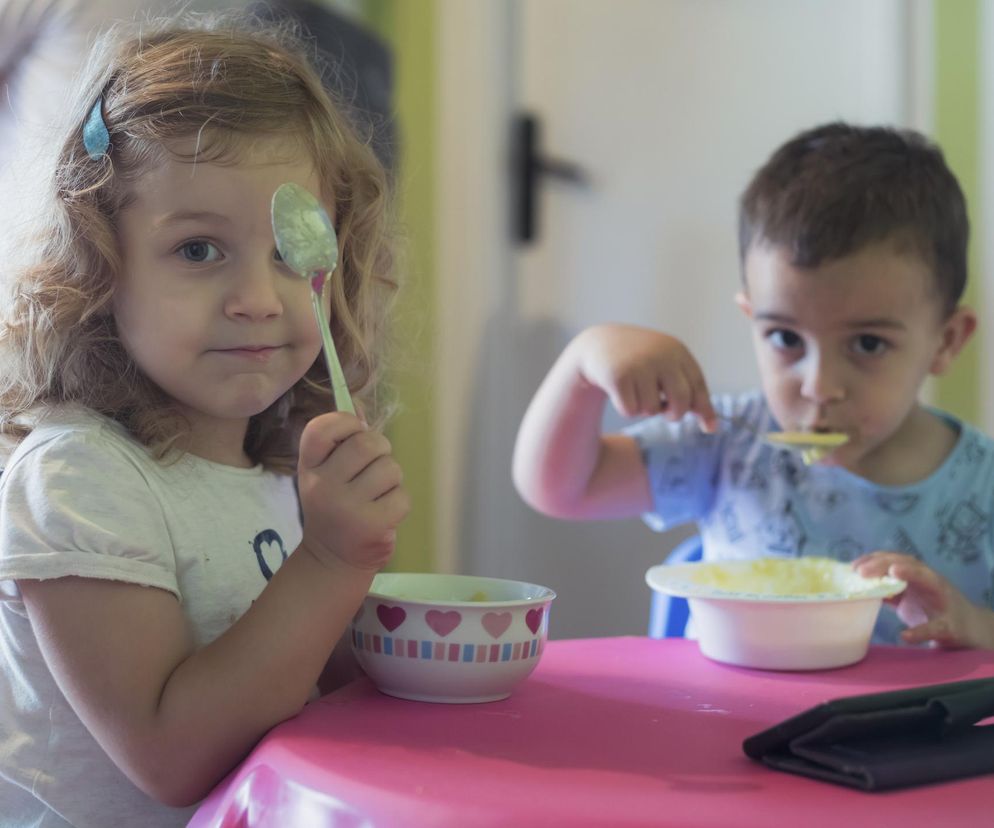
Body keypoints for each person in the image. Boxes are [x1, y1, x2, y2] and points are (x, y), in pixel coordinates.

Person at [0, 11, 409, 827]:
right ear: (100, 265)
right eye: (197, 250)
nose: (259, 301)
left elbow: (298, 689)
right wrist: (331, 562)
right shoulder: (79, 476)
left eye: (294, 253)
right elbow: (172, 757)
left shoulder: (275, 469)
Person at [512, 121, 994, 652]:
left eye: (868, 345)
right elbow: (559, 488)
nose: (819, 385)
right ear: (751, 318)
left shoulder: (983, 486)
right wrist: (582, 367)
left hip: (911, 738)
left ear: (946, 342)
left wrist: (976, 627)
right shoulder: (728, 442)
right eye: (786, 337)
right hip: (730, 730)